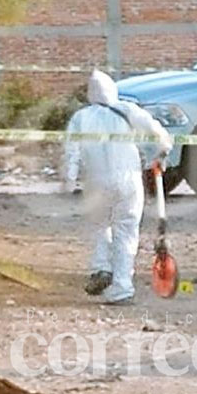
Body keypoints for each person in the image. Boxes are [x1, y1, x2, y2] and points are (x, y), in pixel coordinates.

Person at [63, 70, 172, 305]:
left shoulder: (81, 118)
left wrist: (70, 181)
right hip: (129, 180)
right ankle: (122, 287)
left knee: (99, 224)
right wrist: (160, 154)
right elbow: (158, 134)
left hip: (96, 181)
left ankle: (101, 267)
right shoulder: (129, 110)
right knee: (126, 231)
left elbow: (71, 152)